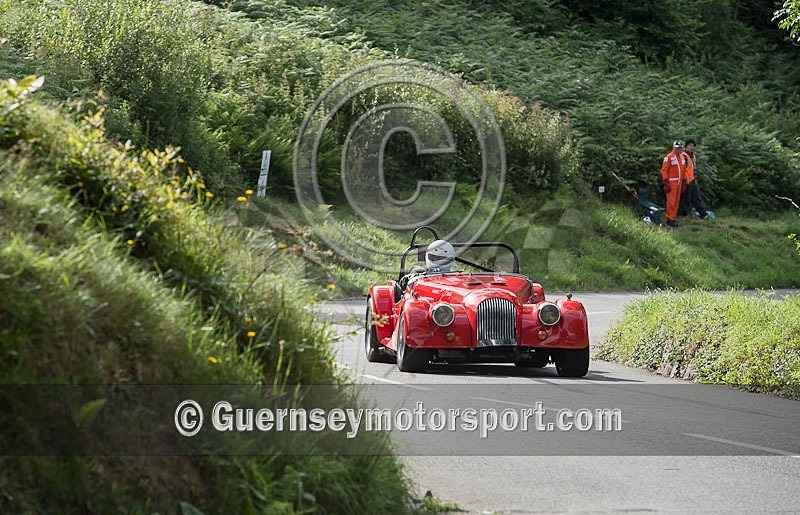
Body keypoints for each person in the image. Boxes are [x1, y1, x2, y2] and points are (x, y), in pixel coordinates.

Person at [678, 139, 710, 219]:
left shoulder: (693, 155)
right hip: (686, 181)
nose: (692, 147)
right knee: (686, 199)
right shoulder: (684, 155)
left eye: (693, 146)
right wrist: (685, 180)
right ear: (686, 146)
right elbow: (682, 169)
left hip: (692, 180)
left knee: (696, 198)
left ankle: (703, 214)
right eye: (690, 145)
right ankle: (683, 214)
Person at [660, 140, 687, 227]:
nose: (679, 149)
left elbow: (683, 170)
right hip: (671, 182)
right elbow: (664, 170)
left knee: (676, 201)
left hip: (679, 182)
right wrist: (666, 183)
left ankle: (673, 217)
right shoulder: (668, 157)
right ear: (674, 148)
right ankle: (669, 218)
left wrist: (684, 182)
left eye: (680, 148)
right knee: (671, 201)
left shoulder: (682, 157)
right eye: (677, 148)